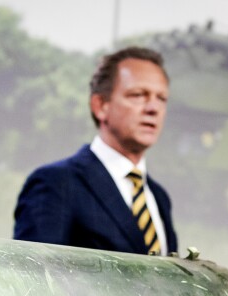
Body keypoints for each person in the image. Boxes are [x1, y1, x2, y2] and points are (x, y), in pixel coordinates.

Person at [13, 46, 178, 255]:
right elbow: (35, 278)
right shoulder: (56, 184)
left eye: (161, 98)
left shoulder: (159, 197)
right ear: (100, 105)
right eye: (138, 95)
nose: (153, 108)